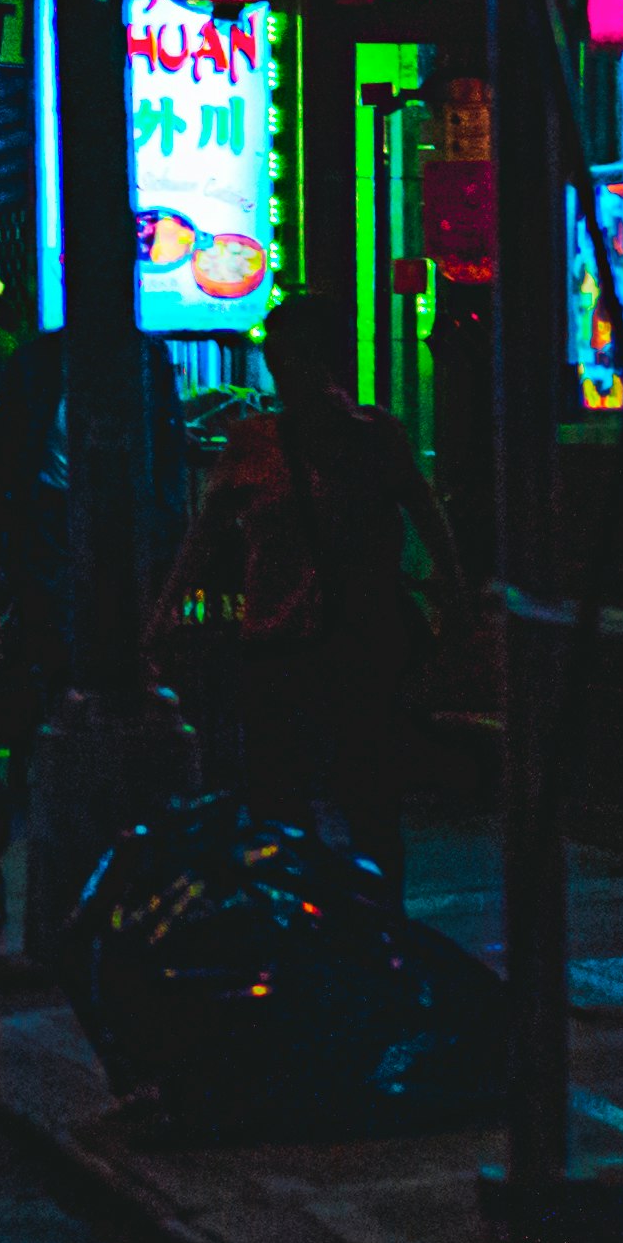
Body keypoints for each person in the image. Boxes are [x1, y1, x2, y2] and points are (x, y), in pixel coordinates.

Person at [167, 292, 455, 876]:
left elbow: (202, 540)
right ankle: (349, 920)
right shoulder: (358, 436)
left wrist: (163, 614)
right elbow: (430, 522)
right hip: (321, 645)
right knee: (330, 800)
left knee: (338, 799)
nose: (278, 368)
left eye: (281, 356)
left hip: (317, 646)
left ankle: (352, 921)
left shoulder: (355, 436)